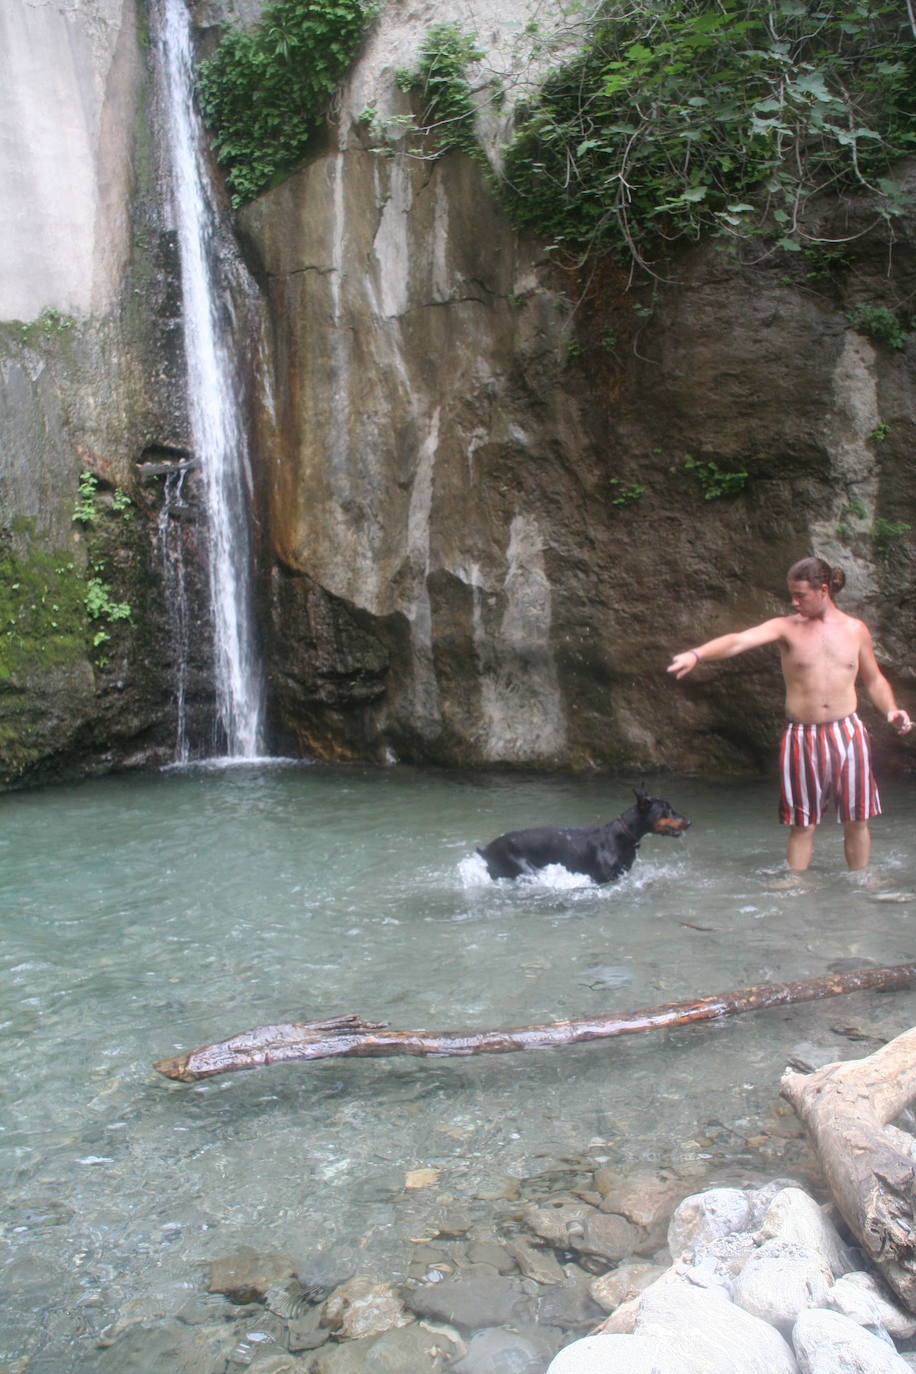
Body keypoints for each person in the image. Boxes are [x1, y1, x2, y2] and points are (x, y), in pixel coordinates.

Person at [668, 556, 912, 872]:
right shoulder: (785, 628)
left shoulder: (855, 630)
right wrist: (696, 654)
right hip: (803, 735)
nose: (794, 602)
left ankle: (861, 885)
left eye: (800, 595)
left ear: (823, 590)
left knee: (857, 819)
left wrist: (891, 709)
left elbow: (874, 679)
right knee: (802, 824)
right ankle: (796, 887)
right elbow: (739, 641)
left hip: (848, 733)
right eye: (791, 595)